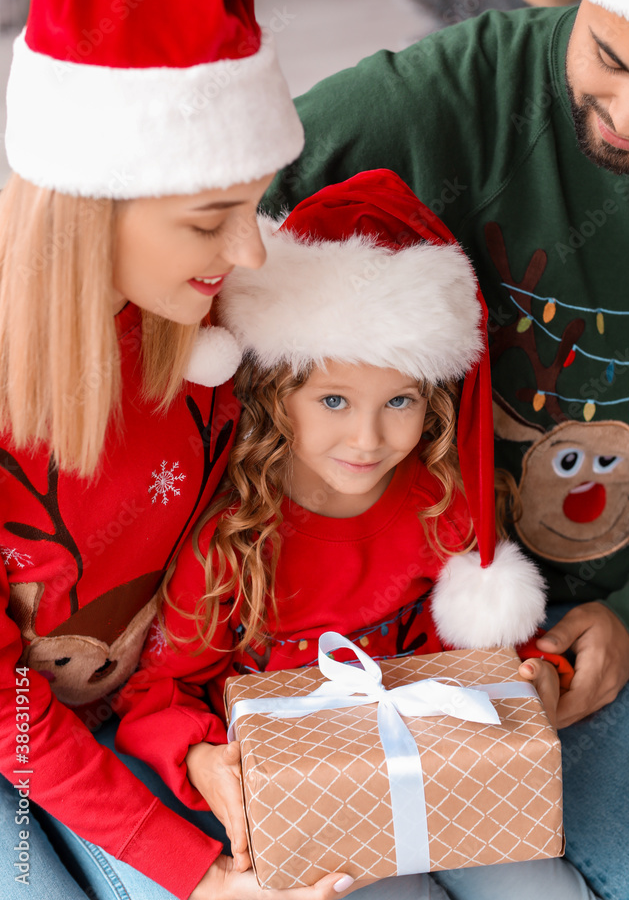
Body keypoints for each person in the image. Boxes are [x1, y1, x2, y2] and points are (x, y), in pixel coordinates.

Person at [261, 0, 629, 896]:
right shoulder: (450, 98)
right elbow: (207, 215)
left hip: (620, 612)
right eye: (609, 57)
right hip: (411, 614)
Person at [114, 170, 594, 900]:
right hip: (314, 791)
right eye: (333, 399)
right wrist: (200, 756)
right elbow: (159, 686)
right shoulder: (235, 538)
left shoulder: (441, 506)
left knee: (535, 884)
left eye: (398, 400)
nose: (367, 438)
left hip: (446, 762)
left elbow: (481, 654)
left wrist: (538, 676)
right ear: (279, 395)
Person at [0, 0, 321, 900]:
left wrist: (188, 750)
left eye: (252, 204)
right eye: (209, 219)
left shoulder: (207, 339)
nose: (252, 253)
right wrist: (195, 872)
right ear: (90, 205)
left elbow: (206, 584)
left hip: (139, 708)